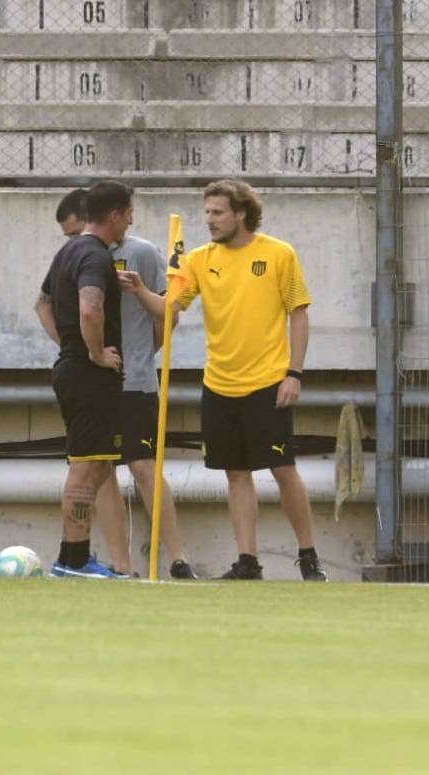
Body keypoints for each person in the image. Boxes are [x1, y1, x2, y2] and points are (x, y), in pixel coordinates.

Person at [120, 179, 327, 581]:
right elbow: (170, 307)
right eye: (207, 213)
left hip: (269, 381)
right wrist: (141, 290)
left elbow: (298, 313)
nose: (209, 220)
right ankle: (247, 561)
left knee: (283, 468)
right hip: (218, 383)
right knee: (235, 472)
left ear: (241, 214)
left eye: (217, 212)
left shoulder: (279, 254)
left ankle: (308, 555)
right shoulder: (198, 259)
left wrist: (294, 373)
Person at [39, 188, 198, 580]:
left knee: (142, 465)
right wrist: (79, 348)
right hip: (95, 375)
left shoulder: (140, 252)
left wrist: (143, 350)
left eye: (75, 228)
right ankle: (118, 564)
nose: (73, 236)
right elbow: (46, 303)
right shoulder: (84, 253)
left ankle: (177, 558)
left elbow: (170, 313)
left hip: (133, 379)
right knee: (98, 468)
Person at [33, 180, 131, 578]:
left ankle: (72, 556)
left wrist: (69, 344)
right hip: (89, 372)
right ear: (114, 216)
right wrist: (92, 352)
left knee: (96, 463)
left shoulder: (68, 251)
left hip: (74, 366)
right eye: (128, 214)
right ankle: (74, 560)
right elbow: (90, 309)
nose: (130, 222)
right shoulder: (94, 254)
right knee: (86, 466)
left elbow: (42, 303)